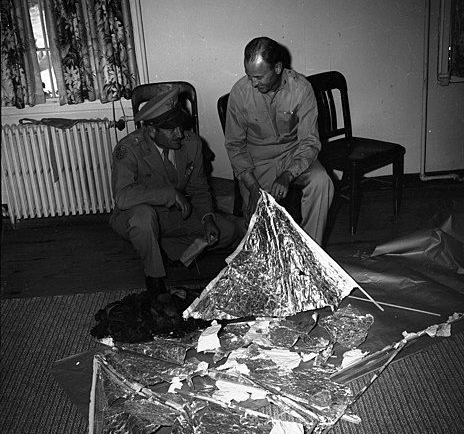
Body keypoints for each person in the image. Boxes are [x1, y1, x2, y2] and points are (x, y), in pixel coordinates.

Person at [110, 86, 241, 296]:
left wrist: (207, 218)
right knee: (143, 219)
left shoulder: (192, 144)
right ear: (152, 130)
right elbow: (123, 197)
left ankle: (165, 251)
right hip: (139, 215)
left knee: (227, 232)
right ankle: (154, 278)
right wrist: (168, 193)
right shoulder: (129, 149)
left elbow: (199, 188)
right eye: (172, 129)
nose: (180, 133)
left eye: (180, 125)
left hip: (175, 216)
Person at [225, 37, 334, 246]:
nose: (253, 83)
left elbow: (309, 142)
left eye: (258, 77)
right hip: (257, 161)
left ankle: (311, 252)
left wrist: (288, 173)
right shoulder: (240, 93)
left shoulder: (301, 88)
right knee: (256, 230)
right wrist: (252, 186)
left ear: (277, 67)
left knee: (321, 182)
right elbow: (235, 147)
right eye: (249, 76)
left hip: (294, 153)